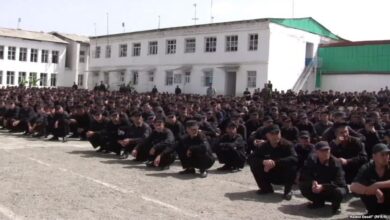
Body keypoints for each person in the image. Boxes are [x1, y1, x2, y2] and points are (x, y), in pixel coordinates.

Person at [247, 124, 298, 200]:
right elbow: (251, 158)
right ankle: (266, 188)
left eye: (277, 133)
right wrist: (263, 161)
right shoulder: (264, 146)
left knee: (292, 166)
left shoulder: (287, 145)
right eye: (272, 134)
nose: (275, 136)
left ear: (280, 133)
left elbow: (294, 158)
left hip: (283, 174)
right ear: (267, 136)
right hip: (270, 173)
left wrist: (275, 162)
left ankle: (288, 191)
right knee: (254, 165)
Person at [299, 141, 348, 215]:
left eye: (327, 150)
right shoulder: (312, 160)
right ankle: (318, 202)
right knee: (303, 184)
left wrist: (323, 186)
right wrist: (312, 181)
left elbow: (339, 182)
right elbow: (304, 174)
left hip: (332, 188)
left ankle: (336, 206)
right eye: (322, 151)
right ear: (317, 152)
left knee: (339, 191)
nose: (326, 152)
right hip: (318, 187)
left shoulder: (336, 163)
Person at [351, 143, 390, 215]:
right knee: (364, 188)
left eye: (387, 154)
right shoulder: (366, 168)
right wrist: (374, 190)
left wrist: (377, 185)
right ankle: (373, 213)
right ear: (374, 156)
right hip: (375, 203)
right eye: (382, 154)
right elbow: (353, 187)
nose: (386, 157)